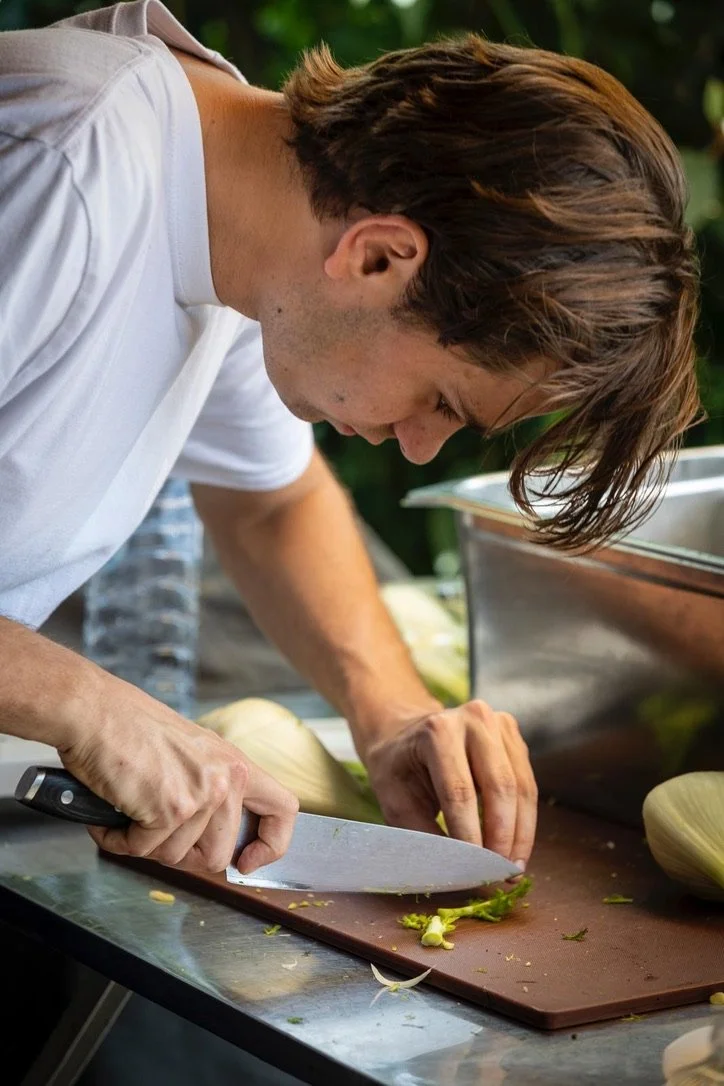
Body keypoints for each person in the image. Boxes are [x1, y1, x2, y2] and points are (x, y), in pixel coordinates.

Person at [0, 0, 699, 880]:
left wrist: (391, 714)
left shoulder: (245, 235)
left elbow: (271, 504)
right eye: (442, 399)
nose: (416, 445)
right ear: (378, 257)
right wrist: (88, 704)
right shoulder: (56, 168)